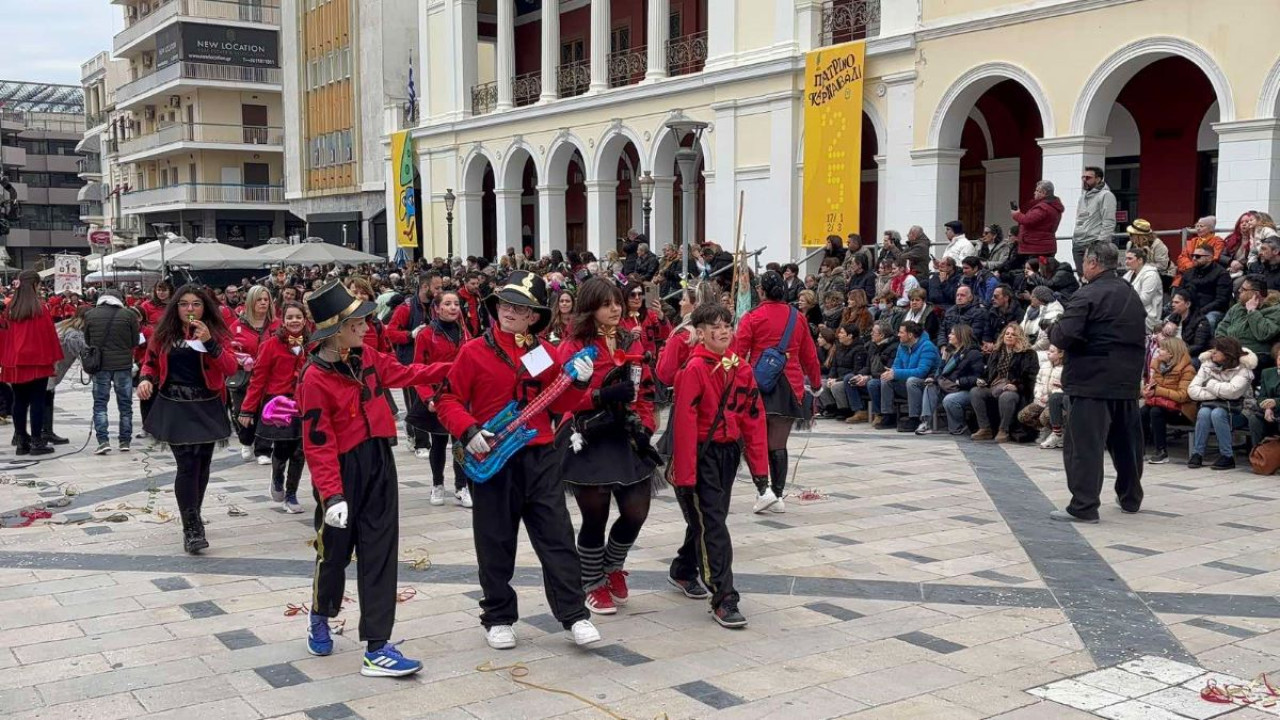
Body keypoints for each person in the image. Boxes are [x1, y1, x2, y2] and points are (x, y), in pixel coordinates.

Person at [435, 270, 602, 651]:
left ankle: (575, 615)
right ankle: (497, 616)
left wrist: (578, 383)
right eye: (507, 303)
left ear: (534, 316)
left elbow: (559, 405)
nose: (511, 311)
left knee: (557, 536)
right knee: (494, 540)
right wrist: (469, 430)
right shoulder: (472, 351)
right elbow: (447, 399)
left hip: (540, 453)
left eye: (522, 307)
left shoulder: (545, 352)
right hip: (492, 455)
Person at [295, 281, 452, 677]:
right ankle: (320, 613)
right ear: (336, 328)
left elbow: (409, 372)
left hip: (380, 461)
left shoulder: (368, 357)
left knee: (380, 553)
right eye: (359, 321)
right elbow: (318, 443)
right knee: (333, 553)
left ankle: (377, 646)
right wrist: (331, 496)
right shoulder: (313, 378)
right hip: (341, 471)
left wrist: (460, 364)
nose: (367, 326)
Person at [557, 278, 661, 616]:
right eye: (606, 304)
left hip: (627, 434)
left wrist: (646, 424)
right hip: (588, 436)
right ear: (591, 308)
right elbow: (561, 396)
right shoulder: (573, 345)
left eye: (617, 302)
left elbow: (643, 389)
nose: (615, 308)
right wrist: (599, 395)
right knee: (595, 516)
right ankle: (592, 581)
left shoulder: (632, 338)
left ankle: (612, 565)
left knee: (636, 511)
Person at [668, 302, 768, 628]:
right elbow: (683, 423)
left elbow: (753, 418)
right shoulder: (694, 370)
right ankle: (724, 596)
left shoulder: (741, 368)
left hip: (727, 454)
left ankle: (683, 569)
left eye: (727, 324)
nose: (724, 330)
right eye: (715, 325)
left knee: (710, 518)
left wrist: (760, 469)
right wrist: (685, 473)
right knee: (713, 523)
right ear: (699, 333)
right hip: (699, 453)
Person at [1048, 243, 1147, 523]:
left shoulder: (1087, 294)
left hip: (1091, 380)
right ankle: (1130, 497)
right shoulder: (1130, 293)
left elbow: (1064, 336)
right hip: (1126, 379)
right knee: (1126, 443)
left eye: (1084, 262)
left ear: (1092, 263)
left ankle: (1084, 505)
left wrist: (1054, 325)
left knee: (1084, 446)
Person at [137, 284, 238, 551]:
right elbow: (151, 361)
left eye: (196, 304)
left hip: (207, 402)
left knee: (203, 465)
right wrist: (146, 379)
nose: (190, 309)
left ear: (205, 307)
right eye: (184, 304)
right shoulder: (164, 333)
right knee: (187, 465)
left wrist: (210, 343)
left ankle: (193, 515)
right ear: (176, 307)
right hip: (175, 403)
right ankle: (191, 526)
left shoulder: (214, 332)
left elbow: (230, 367)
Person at [733, 271, 822, 514]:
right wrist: (816, 384)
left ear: (761, 291)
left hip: (758, 384)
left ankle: (764, 491)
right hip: (790, 385)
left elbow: (738, 353)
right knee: (778, 443)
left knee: (754, 441)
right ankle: (779, 495)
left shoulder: (751, 317)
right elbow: (809, 355)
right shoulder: (797, 317)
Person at [238, 302, 310, 514]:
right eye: (290, 317)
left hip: (304, 402)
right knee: (282, 448)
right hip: (279, 404)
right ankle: (277, 476)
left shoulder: (313, 344)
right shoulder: (270, 345)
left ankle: (291, 493)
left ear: (305, 320)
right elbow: (258, 379)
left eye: (298, 317)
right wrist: (247, 409)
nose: (294, 321)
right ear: (283, 320)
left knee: (300, 450)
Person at [407, 290, 473, 508]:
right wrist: (428, 399)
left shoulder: (465, 332)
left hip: (461, 395)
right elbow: (418, 370)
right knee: (439, 441)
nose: (453, 307)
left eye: (456, 303)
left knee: (461, 441)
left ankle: (462, 486)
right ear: (437, 308)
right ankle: (437, 484)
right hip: (437, 395)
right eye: (448, 303)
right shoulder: (427, 334)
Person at [0, 270, 63, 456]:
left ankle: (21, 441)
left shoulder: (10, 309)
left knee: (19, 401)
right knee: (37, 400)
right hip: (38, 360)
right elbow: (49, 335)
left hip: (17, 361)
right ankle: (36, 441)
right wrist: (54, 359)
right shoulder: (40, 308)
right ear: (34, 285)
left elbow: (6, 336)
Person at [84, 289, 142, 454]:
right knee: (125, 405)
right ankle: (125, 441)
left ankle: (103, 441)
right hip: (123, 366)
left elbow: (88, 340)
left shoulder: (90, 314)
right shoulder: (128, 315)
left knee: (100, 404)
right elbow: (135, 341)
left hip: (100, 366)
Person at [1187, 336, 1256, 470]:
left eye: (1217, 351)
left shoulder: (1244, 369)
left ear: (1227, 353)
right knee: (1204, 412)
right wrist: (1219, 392)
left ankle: (1227, 456)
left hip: (1240, 411)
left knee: (1217, 413)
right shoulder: (1207, 365)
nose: (1213, 353)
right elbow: (1192, 390)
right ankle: (1197, 453)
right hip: (1213, 405)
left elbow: (1233, 392)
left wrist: (1210, 384)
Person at [229, 285, 278, 465]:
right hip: (243, 376)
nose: (263, 303)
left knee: (267, 412)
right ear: (251, 302)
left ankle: (264, 449)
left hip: (269, 376)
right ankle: (246, 440)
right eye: (259, 299)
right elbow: (227, 349)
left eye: (266, 299)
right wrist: (238, 357)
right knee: (242, 411)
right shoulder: (237, 325)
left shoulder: (276, 325)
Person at [969, 323, 1038, 442]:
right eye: (1007, 334)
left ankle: (1003, 430)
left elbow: (1031, 376)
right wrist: (983, 381)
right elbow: (987, 374)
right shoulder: (997, 352)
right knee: (976, 392)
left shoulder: (1028, 354)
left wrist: (1016, 386)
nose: (1009, 336)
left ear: (1019, 337)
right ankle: (985, 428)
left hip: (1015, 388)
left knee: (1007, 396)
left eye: (1013, 334)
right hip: (995, 385)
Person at [914, 323, 983, 435]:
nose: (949, 336)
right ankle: (926, 423)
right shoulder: (950, 352)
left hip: (965, 389)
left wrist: (959, 381)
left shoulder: (974, 353)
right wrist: (936, 373)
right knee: (930, 388)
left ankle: (959, 426)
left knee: (950, 399)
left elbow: (977, 377)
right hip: (948, 387)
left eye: (952, 334)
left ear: (961, 336)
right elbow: (941, 373)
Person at [870, 320, 939, 431]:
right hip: (907, 383)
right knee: (886, 379)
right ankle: (888, 416)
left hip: (926, 383)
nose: (898, 335)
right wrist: (892, 372)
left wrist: (896, 373)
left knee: (911, 381)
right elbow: (896, 366)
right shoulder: (902, 346)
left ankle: (914, 418)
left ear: (910, 335)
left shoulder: (927, 347)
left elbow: (921, 372)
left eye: (901, 332)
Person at [1140, 335, 1195, 464]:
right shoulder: (1158, 366)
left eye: (1162, 349)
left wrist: (1158, 391)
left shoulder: (1188, 370)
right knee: (1143, 411)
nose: (1158, 351)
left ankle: (1162, 452)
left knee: (1156, 411)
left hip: (1182, 410)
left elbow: (1182, 396)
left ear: (1172, 353)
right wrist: (1146, 391)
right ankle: (1139, 450)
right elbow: (1153, 386)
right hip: (1162, 405)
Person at [1214, 275, 1280, 368]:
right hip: (1230, 353)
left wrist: (1252, 312)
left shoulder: (1275, 310)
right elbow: (1222, 328)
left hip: (1256, 355)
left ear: (1256, 294)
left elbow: (1264, 334)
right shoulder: (1237, 307)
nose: (1239, 291)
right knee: (1207, 365)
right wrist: (1224, 348)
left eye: (1243, 289)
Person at [45, 307, 88, 446]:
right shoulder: (75, 333)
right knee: (46, 400)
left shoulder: (65, 325)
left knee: (41, 399)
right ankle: (45, 432)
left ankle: (38, 432)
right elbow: (84, 353)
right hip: (51, 369)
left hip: (49, 367)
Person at [846, 321, 897, 424]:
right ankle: (860, 410)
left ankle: (879, 414)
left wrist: (868, 377)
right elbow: (868, 366)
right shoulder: (873, 346)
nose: (871, 334)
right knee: (850, 378)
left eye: (874, 332)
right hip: (872, 376)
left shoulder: (893, 348)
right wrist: (860, 375)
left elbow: (888, 371)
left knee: (872, 383)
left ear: (882, 335)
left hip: (885, 380)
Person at [1017, 344, 1065, 447]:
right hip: (1041, 399)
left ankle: (1060, 433)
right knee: (1023, 416)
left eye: (1052, 352)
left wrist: (1049, 396)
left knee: (1045, 416)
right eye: (1048, 350)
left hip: (1055, 400)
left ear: (1061, 354)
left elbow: (1064, 387)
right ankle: (1045, 429)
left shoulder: (1065, 368)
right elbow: (1038, 382)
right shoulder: (1045, 365)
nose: (1048, 353)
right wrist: (1038, 395)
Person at [1071, 166, 1117, 272]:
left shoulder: (1106, 195)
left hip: (1094, 243)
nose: (1084, 180)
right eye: (1083, 177)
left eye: (1088, 177)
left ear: (1098, 179)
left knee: (1095, 275)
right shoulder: (1083, 197)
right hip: (1078, 242)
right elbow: (1079, 219)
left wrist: (1101, 242)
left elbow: (1109, 221)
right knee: (1082, 276)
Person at [1010, 180, 1064, 262]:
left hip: (1036, 247)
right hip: (1045, 246)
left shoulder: (1043, 208)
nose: (1034, 193)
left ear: (1043, 192)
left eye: (1037, 190)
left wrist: (1016, 214)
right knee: (1045, 271)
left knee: (1034, 272)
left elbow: (1027, 220)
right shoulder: (1053, 206)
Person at [1180, 245, 1233, 326]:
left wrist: (1200, 311)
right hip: (1190, 309)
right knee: (1169, 320)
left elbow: (1221, 300)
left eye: (1198, 256)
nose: (1194, 258)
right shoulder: (1188, 273)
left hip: (1212, 311)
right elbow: (1181, 293)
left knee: (1207, 322)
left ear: (1210, 258)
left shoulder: (1222, 274)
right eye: (1192, 256)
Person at [817, 324, 861, 418]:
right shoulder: (839, 349)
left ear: (850, 336)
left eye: (841, 333)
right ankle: (831, 408)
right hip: (838, 377)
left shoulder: (859, 350)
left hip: (847, 378)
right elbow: (834, 367)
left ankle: (844, 409)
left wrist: (837, 380)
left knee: (836, 386)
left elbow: (856, 371)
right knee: (821, 383)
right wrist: (830, 378)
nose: (839, 335)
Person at [1247, 341, 1280, 449]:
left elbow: (1274, 401)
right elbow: (1262, 396)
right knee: (1254, 419)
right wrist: (1267, 408)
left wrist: (1275, 403)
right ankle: (1258, 454)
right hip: (1270, 413)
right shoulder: (1267, 373)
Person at [1163, 289, 1212, 360]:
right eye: (1172, 302)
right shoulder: (1173, 318)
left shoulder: (1201, 322)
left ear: (1188, 304)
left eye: (1176, 302)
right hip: (1174, 351)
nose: (1172, 305)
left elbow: (1198, 346)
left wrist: (1178, 352)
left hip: (1192, 355)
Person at [1123, 246, 1163, 333]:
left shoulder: (1151, 275)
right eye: (1126, 258)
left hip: (1147, 316)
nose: (1126, 262)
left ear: (1140, 260)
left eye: (1130, 259)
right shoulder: (1128, 274)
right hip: (1130, 312)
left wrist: (1124, 300)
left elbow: (1144, 300)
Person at [1175, 216, 1225, 285]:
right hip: (1188, 271)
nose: (1198, 228)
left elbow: (1214, 257)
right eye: (1197, 226)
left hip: (1206, 274)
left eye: (1201, 226)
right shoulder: (1192, 241)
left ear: (1210, 228)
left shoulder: (1218, 242)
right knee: (1178, 285)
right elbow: (1182, 258)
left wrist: (1196, 265)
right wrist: (1191, 266)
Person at [1126, 219, 1173, 289]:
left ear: (1141, 236)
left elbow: (1162, 266)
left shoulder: (1157, 244)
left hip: (1161, 274)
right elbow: (1128, 264)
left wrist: (1142, 266)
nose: (1129, 236)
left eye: (1132, 234)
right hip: (1137, 273)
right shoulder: (1130, 244)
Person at [1019, 286, 1063, 350]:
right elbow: (1022, 326)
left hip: (1043, 351)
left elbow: (1046, 340)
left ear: (1041, 300)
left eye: (1033, 297)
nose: (1030, 298)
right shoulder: (1031, 308)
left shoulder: (1055, 313)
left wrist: (1030, 350)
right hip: (1026, 344)